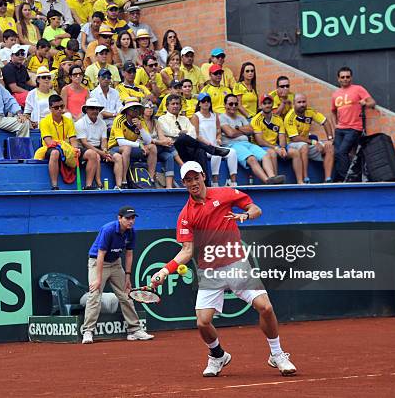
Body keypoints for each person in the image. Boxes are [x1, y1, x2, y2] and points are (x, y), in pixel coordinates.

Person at [151, 161, 297, 377]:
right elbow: (187, 250)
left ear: (203, 176)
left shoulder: (225, 193)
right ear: (184, 183)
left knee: (265, 307)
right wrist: (165, 270)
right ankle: (218, 355)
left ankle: (277, 354)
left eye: (196, 177)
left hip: (236, 263)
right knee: (202, 322)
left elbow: (255, 208)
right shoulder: (185, 215)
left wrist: (245, 216)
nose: (193, 182)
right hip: (210, 271)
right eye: (188, 180)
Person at [82, 205, 154, 344]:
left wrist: (127, 277)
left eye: (133, 218)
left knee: (126, 294)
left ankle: (134, 330)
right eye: (128, 218)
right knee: (95, 295)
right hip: (98, 262)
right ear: (119, 218)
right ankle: (88, 331)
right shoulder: (108, 230)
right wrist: (98, 279)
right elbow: (100, 254)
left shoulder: (131, 232)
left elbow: (129, 254)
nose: (131, 221)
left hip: (115, 263)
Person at [158, 94, 229, 186]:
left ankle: (205, 183)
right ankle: (212, 149)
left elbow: (193, 134)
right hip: (175, 149)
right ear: (167, 106)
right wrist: (181, 133)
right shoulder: (162, 119)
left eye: (177, 104)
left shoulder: (185, 119)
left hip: (189, 149)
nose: (175, 106)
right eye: (173, 104)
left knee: (201, 150)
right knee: (182, 137)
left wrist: (183, 134)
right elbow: (168, 131)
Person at [219, 94, 285, 185]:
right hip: (233, 145)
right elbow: (230, 133)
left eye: (235, 104)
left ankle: (272, 177)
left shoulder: (241, 117)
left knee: (265, 155)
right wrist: (243, 130)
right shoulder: (221, 117)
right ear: (225, 105)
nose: (233, 106)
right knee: (251, 158)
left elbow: (250, 130)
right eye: (230, 104)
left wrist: (237, 128)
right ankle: (267, 180)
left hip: (247, 143)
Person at [331, 66, 375, 181]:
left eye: (347, 77)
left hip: (354, 128)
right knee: (337, 154)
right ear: (338, 79)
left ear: (351, 78)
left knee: (342, 152)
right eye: (342, 77)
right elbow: (333, 111)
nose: (345, 79)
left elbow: (372, 102)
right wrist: (335, 125)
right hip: (340, 129)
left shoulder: (358, 89)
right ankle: (345, 178)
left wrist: (365, 103)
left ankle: (346, 178)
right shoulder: (335, 94)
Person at [252, 93, 303, 184]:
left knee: (295, 153)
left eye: (269, 103)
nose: (267, 105)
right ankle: (275, 180)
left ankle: (300, 181)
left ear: (272, 104)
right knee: (272, 153)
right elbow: (260, 141)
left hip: (277, 146)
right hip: (262, 147)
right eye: (265, 103)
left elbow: (282, 137)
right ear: (260, 105)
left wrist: (282, 148)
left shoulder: (278, 119)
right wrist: (276, 148)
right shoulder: (256, 120)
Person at [107, 98, 156, 189]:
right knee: (126, 148)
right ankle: (124, 180)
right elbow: (120, 141)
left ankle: (151, 178)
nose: (136, 110)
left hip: (132, 147)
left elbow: (148, 141)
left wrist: (140, 128)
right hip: (115, 148)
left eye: (137, 108)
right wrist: (139, 145)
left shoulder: (140, 120)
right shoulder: (119, 120)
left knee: (152, 147)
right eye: (133, 108)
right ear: (127, 110)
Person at [33, 94, 80, 190]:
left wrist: (75, 148)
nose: (60, 109)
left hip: (66, 148)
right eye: (56, 107)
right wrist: (63, 145)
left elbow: (73, 139)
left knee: (91, 154)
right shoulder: (44, 121)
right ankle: (54, 185)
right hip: (49, 148)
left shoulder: (68, 121)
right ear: (50, 108)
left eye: (62, 107)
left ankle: (89, 186)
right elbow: (49, 142)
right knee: (55, 152)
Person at [286, 93, 335, 183]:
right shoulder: (289, 117)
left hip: (307, 142)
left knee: (329, 148)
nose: (302, 104)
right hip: (292, 144)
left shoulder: (310, 112)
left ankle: (327, 179)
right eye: (299, 102)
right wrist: (314, 142)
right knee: (304, 146)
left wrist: (330, 139)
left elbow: (325, 122)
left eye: (304, 102)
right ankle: (306, 178)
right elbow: (295, 138)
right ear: (294, 104)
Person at [192, 93, 237, 187]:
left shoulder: (215, 115)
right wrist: (206, 143)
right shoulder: (196, 116)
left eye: (208, 100)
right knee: (217, 154)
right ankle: (215, 182)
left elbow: (218, 131)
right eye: (203, 101)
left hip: (214, 145)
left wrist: (218, 138)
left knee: (232, 152)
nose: (206, 103)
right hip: (203, 147)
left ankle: (233, 182)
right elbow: (195, 135)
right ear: (199, 103)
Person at [75, 98, 114, 190]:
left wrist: (104, 150)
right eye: (92, 108)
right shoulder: (80, 123)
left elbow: (104, 140)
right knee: (95, 155)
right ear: (86, 110)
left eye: (97, 109)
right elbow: (84, 143)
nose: (95, 111)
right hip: (83, 149)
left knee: (118, 157)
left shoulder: (102, 123)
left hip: (98, 148)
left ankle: (121, 184)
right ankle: (93, 184)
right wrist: (102, 153)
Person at [143, 101, 179, 189]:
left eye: (152, 107)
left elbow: (161, 137)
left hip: (157, 149)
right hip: (145, 149)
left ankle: (169, 186)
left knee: (169, 156)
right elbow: (146, 140)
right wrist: (162, 142)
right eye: (147, 107)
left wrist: (167, 141)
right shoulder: (140, 122)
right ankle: (181, 163)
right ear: (142, 109)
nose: (150, 109)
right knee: (159, 146)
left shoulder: (155, 121)